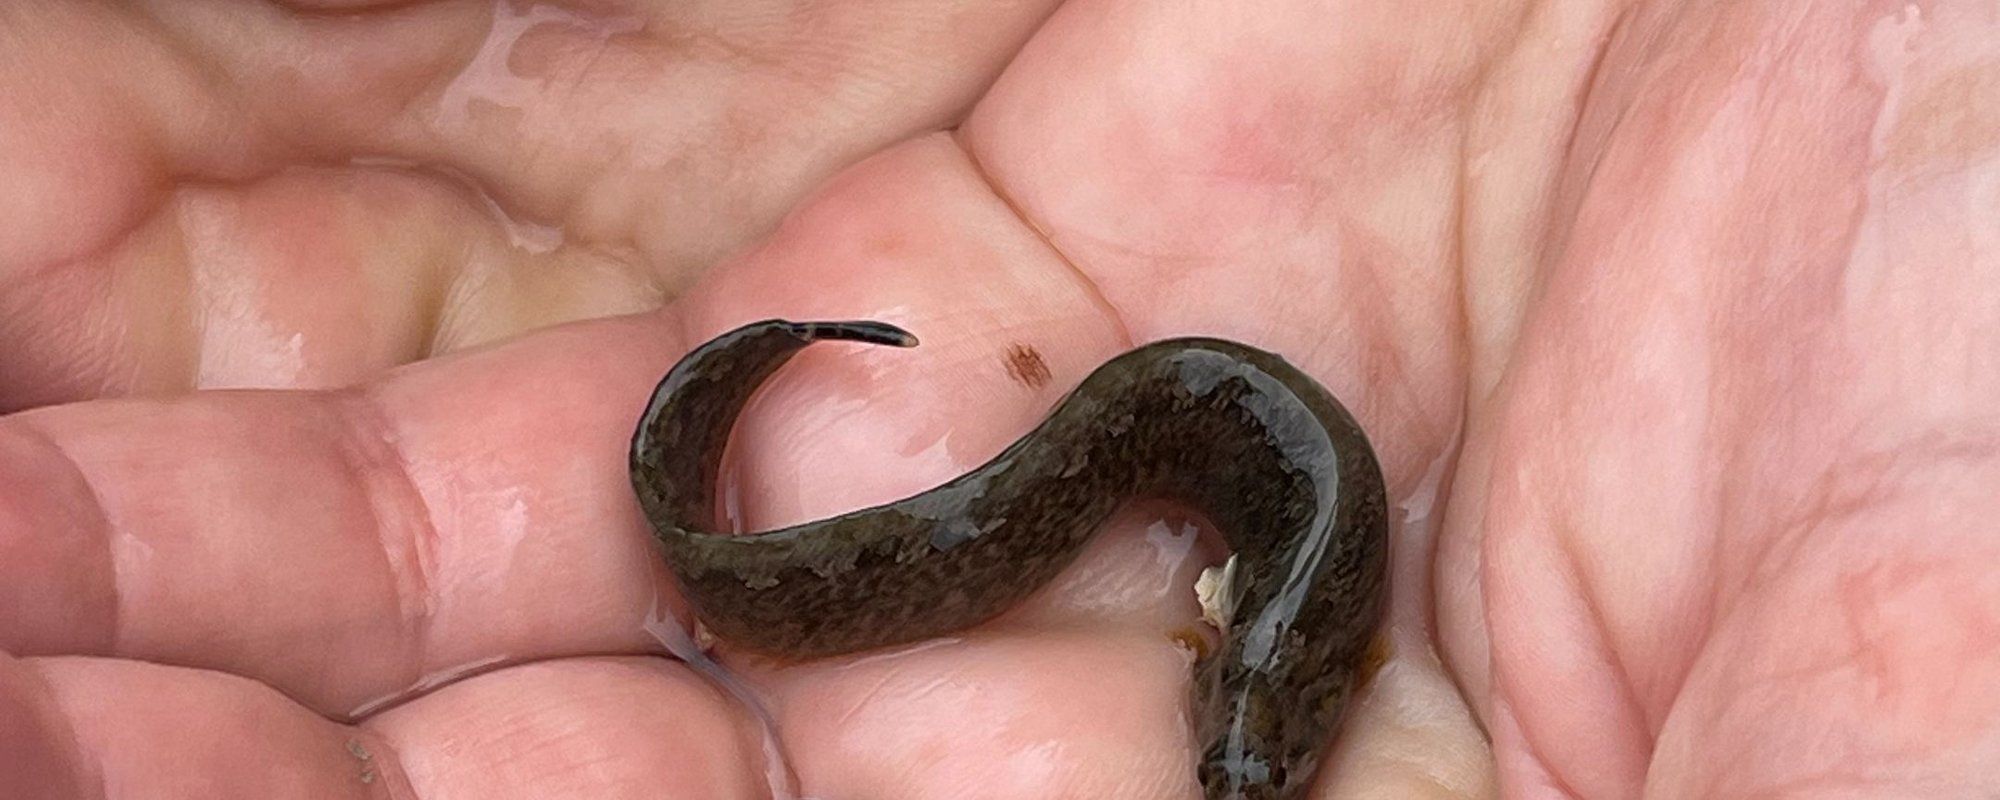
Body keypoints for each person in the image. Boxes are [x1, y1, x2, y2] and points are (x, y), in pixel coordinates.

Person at [2, 2, 1993, 797]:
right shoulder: (1291, 556)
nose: (1241, 761)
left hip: (1219, 445)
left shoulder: (1299, 568)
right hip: (1199, 435)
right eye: (1241, 748)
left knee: (987, 515)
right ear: (1247, 658)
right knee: (972, 515)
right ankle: (736, 531)